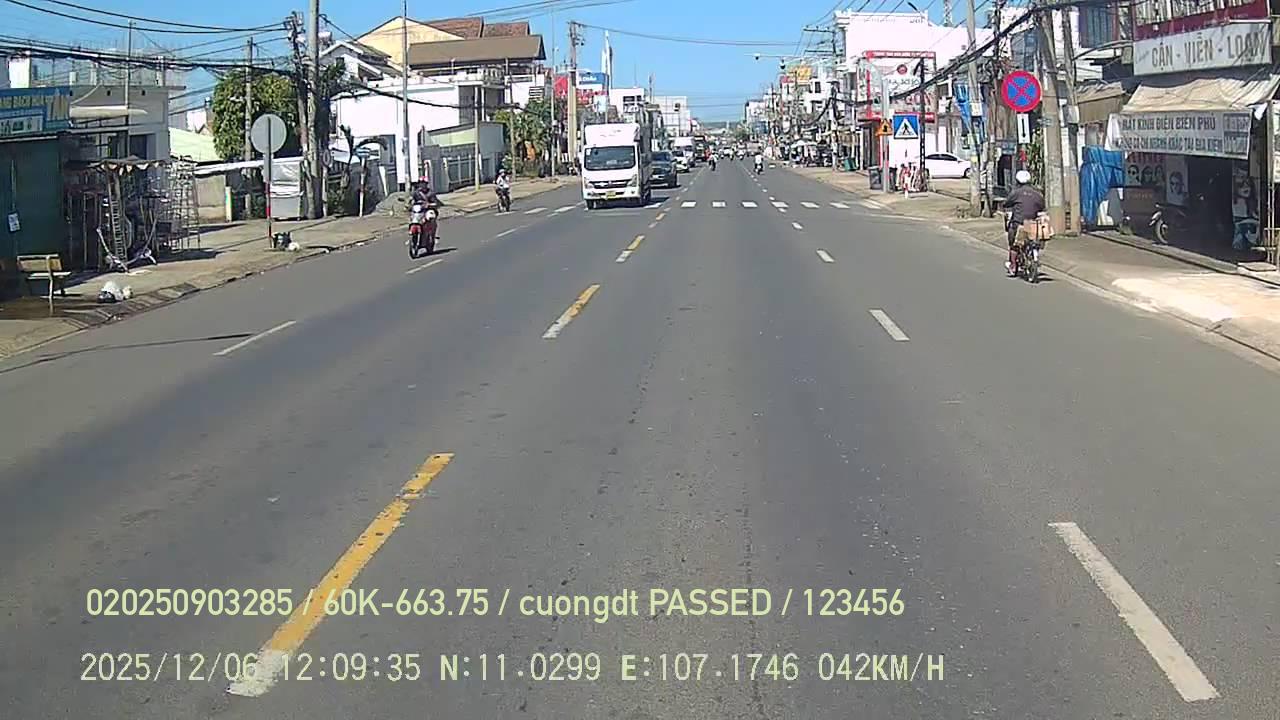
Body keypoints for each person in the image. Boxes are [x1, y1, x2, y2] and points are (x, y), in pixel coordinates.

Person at [1002, 169, 1045, 276]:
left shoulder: (1016, 193)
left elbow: (1006, 203)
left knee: (1013, 244)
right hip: (1033, 224)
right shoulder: (1037, 194)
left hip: (1019, 223)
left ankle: (1013, 266)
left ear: (1017, 181)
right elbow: (1042, 206)